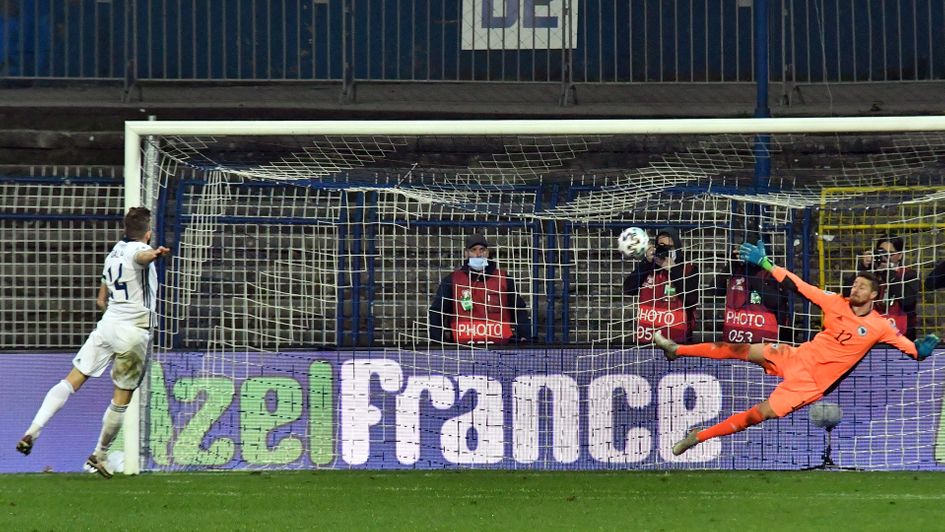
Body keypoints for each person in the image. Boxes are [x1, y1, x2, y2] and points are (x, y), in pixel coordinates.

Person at [652, 240, 940, 457]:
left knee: (757, 415)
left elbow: (912, 351)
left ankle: (698, 436)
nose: (855, 289)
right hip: (796, 355)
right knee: (737, 349)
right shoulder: (835, 302)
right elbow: (800, 286)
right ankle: (677, 350)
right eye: (854, 285)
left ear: (874, 295)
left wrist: (921, 350)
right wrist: (767, 264)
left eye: (861, 287)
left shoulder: (880, 326)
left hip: (810, 383)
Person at [16, 207, 170, 478]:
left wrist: (109, 305)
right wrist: (155, 253)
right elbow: (141, 257)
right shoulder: (140, 250)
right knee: (122, 397)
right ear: (148, 233)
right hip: (133, 331)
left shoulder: (114, 253)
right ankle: (100, 454)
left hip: (107, 326)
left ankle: (33, 430)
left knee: (71, 380)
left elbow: (101, 298)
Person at [428, 233, 531, 344]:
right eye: (474, 250)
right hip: (463, 349)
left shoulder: (504, 279)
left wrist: (524, 335)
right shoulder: (453, 280)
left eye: (482, 250)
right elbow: (436, 311)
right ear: (466, 253)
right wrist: (438, 342)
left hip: (501, 347)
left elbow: (519, 309)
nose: (478, 254)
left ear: (487, 253)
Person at [623, 227, 699, 343]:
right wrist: (646, 262)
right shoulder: (648, 268)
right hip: (647, 339)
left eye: (669, 247)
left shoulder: (689, 269)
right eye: (662, 246)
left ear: (677, 248)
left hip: (677, 341)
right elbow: (628, 289)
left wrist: (673, 270)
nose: (665, 251)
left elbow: (691, 299)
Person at [842, 235, 919, 340]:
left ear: (900, 256)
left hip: (900, 334)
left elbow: (908, 302)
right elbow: (847, 293)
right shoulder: (869, 274)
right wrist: (863, 268)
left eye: (891, 253)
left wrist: (889, 272)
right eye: (882, 252)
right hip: (867, 333)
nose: (885, 256)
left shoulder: (908, 274)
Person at [717, 243, 790, 344]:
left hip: (762, 344)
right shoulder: (735, 271)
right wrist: (730, 265)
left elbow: (776, 302)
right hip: (733, 343)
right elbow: (715, 291)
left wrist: (751, 272)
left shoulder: (773, 273)